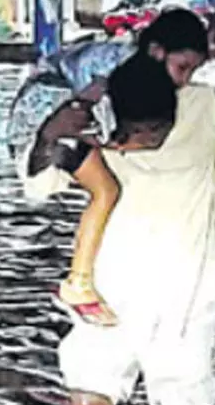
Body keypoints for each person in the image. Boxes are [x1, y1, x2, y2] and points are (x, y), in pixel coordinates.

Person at [19, 11, 215, 405]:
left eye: (196, 68)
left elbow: (42, 180)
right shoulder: (109, 103)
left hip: (142, 281)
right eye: (183, 67)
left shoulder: (201, 103)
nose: (188, 78)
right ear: (155, 52)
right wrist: (49, 136)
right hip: (155, 281)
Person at [51, 54, 180, 325]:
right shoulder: (103, 105)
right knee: (106, 192)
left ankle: (79, 283)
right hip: (61, 137)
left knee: (105, 189)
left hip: (65, 132)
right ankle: (78, 284)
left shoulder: (117, 82)